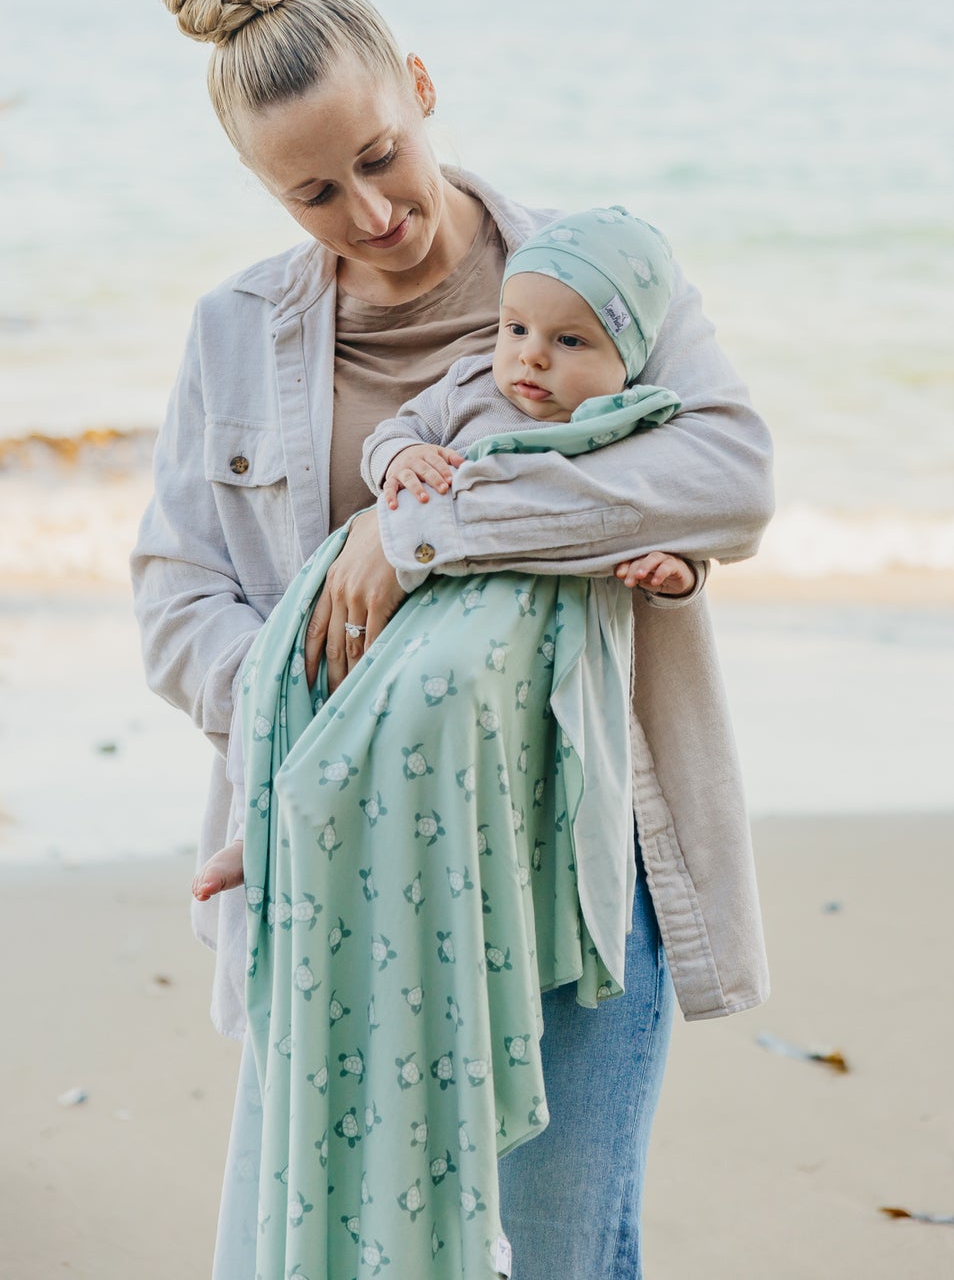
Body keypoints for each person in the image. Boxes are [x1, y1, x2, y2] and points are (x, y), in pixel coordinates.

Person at [130, 0, 775, 1280]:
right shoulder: (232, 332)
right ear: (262, 189)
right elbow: (177, 591)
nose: (369, 213)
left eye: (381, 158)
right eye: (313, 193)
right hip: (331, 856)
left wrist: (422, 529)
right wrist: (299, 735)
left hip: (588, 848)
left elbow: (728, 472)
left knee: (561, 1244)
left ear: (422, 88)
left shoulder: (597, 273)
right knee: (352, 1235)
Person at [194, 204, 695, 908]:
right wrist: (403, 456)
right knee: (329, 690)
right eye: (515, 329)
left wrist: (677, 575)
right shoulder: (468, 388)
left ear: (627, 360)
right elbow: (393, 432)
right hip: (417, 614)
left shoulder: (630, 425)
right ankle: (267, 820)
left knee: (437, 732)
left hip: (526, 657)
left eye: (571, 340)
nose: (533, 356)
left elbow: (673, 514)